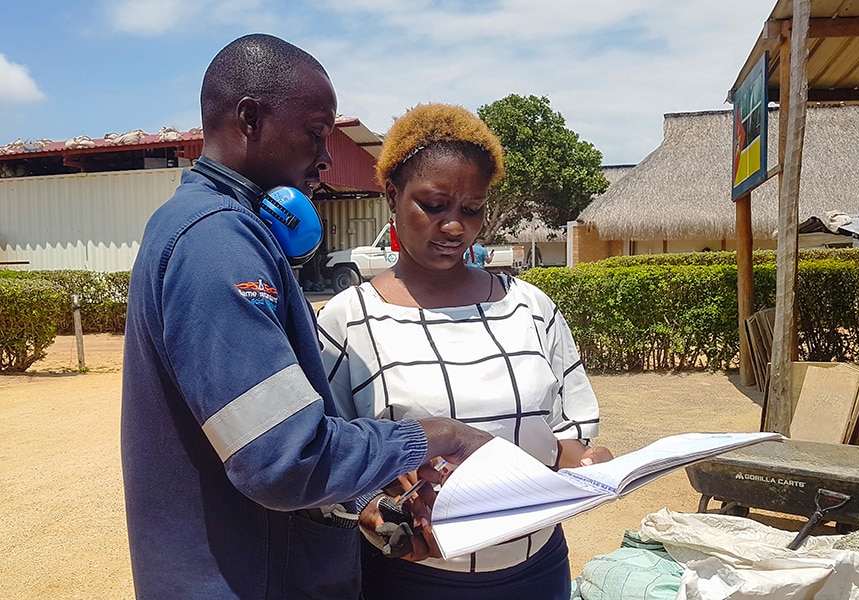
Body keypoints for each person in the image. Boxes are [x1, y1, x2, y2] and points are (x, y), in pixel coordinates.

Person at [120, 35, 491, 600]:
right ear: (250, 119)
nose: (325, 155)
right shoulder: (218, 243)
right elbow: (283, 458)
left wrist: (361, 503)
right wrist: (435, 436)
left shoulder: (217, 229)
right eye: (316, 133)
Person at [317, 103, 612, 600]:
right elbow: (325, 453)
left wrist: (593, 462)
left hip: (536, 569)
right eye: (433, 205)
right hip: (411, 577)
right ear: (391, 196)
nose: (454, 227)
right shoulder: (349, 319)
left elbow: (573, 433)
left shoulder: (530, 307)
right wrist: (373, 503)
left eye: (471, 209)